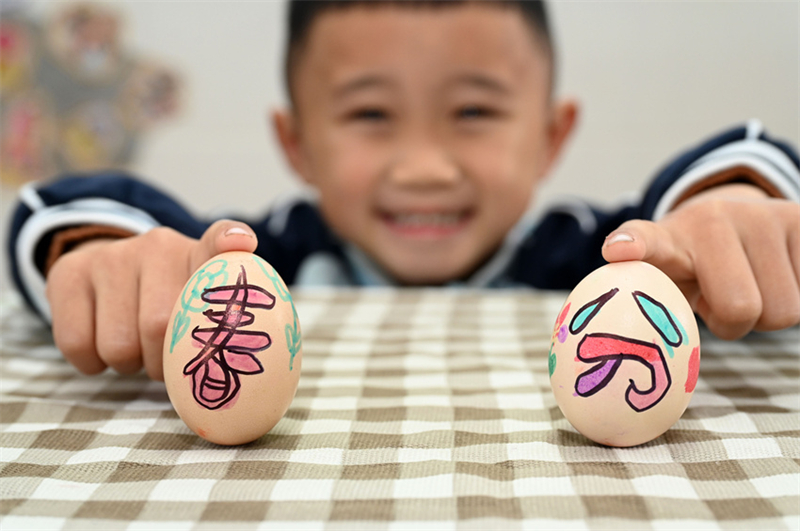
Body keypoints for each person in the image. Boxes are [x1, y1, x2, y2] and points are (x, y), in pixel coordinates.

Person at [7, 0, 800, 381]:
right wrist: (102, 252)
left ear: (551, 137)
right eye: (371, 114)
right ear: (298, 144)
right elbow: (77, 208)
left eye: (475, 111)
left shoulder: (591, 254)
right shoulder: (275, 253)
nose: (424, 166)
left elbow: (714, 178)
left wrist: (723, 206)